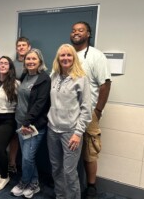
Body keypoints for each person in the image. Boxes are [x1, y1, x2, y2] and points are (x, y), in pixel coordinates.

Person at [70, 21, 111, 199]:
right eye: (73, 30)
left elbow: (105, 84)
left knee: (89, 150)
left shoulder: (96, 56)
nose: (76, 33)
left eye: (80, 30)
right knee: (67, 148)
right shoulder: (67, 54)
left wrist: (98, 111)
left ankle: (91, 186)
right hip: (68, 112)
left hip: (89, 113)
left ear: (88, 34)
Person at [47, 44, 92, 199]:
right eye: (62, 55)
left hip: (71, 132)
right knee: (56, 167)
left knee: (69, 171)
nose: (65, 58)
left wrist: (78, 133)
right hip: (52, 130)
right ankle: (60, 196)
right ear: (58, 59)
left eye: (69, 55)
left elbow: (86, 109)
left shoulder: (81, 79)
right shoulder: (54, 76)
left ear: (74, 58)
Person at [11, 49, 51, 198]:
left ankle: (24, 181)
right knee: (28, 157)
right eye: (28, 59)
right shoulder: (25, 75)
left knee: (27, 157)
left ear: (40, 61)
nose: (30, 61)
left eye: (34, 59)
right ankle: (34, 183)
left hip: (33, 126)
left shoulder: (44, 79)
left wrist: (26, 123)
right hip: (20, 122)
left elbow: (40, 104)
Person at [0, 56, 20, 191]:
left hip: (7, 119)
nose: (3, 65)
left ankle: (5, 176)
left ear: (10, 67)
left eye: (6, 63)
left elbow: (21, 103)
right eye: (1, 63)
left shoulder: (16, 83)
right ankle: (0, 173)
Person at [8, 36, 32, 174]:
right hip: (12, 105)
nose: (21, 47)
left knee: (27, 138)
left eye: (24, 45)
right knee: (14, 136)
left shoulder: (33, 62)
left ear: (29, 47)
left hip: (26, 107)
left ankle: (27, 168)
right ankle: (12, 163)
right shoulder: (12, 64)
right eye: (19, 45)